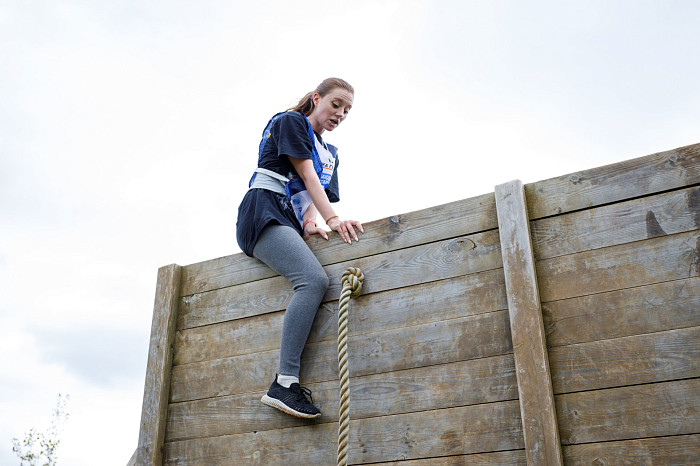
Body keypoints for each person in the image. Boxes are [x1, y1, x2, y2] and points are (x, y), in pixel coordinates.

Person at [236, 78, 363, 419]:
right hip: (264, 207)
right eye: (336, 104)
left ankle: (286, 383)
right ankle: (284, 383)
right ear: (317, 98)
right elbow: (304, 175)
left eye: (347, 111)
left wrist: (311, 221)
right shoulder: (291, 122)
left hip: (289, 218)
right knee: (313, 280)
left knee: (314, 279)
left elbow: (311, 191)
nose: (340, 114)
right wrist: (334, 219)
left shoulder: (331, 154)